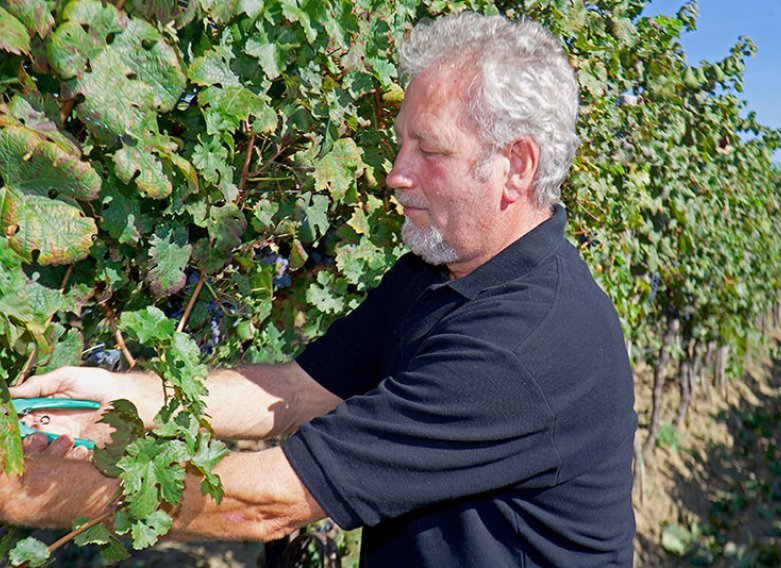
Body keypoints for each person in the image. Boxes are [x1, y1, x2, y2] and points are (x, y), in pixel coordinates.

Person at [1, 12, 637, 567]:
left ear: (515, 166)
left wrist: (19, 484)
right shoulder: (439, 270)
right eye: (399, 146)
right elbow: (300, 388)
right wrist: (124, 395)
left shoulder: (525, 346)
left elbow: (260, 507)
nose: (395, 175)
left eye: (430, 151)